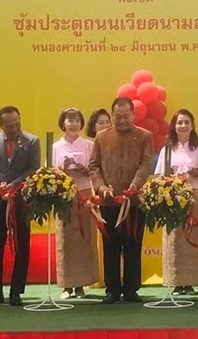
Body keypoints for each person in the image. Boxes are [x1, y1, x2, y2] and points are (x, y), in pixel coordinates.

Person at [89, 97, 153, 304]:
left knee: (133, 245)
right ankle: (112, 290)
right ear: (112, 115)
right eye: (118, 116)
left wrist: (134, 186)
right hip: (108, 202)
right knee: (110, 247)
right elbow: (93, 166)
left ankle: (132, 289)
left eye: (126, 116)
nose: (122, 120)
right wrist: (100, 187)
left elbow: (145, 164)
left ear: (133, 115)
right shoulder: (101, 137)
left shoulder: (144, 136)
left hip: (133, 202)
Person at [0, 106, 40, 307]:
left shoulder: (31, 141)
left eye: (17, 124)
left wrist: (14, 185)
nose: (14, 128)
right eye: (10, 125)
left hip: (21, 201)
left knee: (22, 246)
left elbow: (34, 170)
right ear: (1, 124)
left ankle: (16, 292)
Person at [154, 109, 198, 295]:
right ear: (174, 127)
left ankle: (190, 282)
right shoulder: (167, 150)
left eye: (186, 122)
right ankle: (175, 281)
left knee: (192, 236)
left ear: (192, 126)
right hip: (173, 198)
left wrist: (197, 174)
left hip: (194, 195)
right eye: (179, 122)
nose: (183, 126)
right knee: (174, 239)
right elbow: (159, 176)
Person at [53, 108, 99, 299]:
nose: (73, 124)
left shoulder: (89, 145)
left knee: (83, 237)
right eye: (69, 120)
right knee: (65, 240)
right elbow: (51, 172)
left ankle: (82, 284)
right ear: (63, 123)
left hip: (84, 193)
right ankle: (67, 285)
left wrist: (84, 169)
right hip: (64, 195)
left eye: (77, 120)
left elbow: (95, 169)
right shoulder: (56, 146)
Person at [85, 108, 111, 291]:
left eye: (107, 121)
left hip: (110, 194)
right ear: (93, 127)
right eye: (100, 122)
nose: (105, 125)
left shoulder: (113, 142)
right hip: (93, 192)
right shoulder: (88, 145)